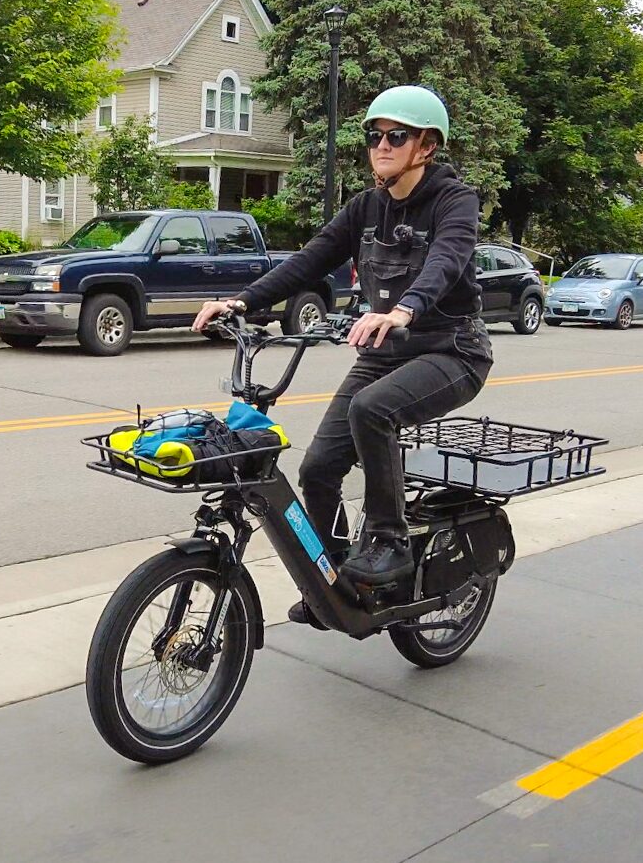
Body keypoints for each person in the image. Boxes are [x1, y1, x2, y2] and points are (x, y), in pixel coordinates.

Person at [191, 85, 494, 621]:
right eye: (374, 135)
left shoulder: (454, 200)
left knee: (371, 409)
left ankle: (388, 539)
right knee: (317, 469)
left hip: (453, 350)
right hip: (386, 351)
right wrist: (242, 300)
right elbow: (309, 261)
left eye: (395, 136)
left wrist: (404, 310)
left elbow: (446, 260)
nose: (381, 144)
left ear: (425, 146)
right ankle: (333, 581)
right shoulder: (366, 208)